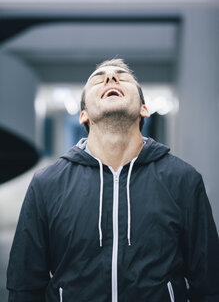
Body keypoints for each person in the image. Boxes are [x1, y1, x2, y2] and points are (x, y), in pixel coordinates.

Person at [7, 59, 219, 302]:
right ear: (83, 115)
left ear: (143, 109)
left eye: (122, 76)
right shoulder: (47, 184)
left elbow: (209, 286)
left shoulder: (183, 179)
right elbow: (24, 287)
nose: (110, 78)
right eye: (99, 78)